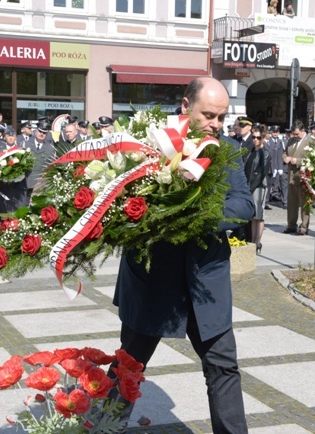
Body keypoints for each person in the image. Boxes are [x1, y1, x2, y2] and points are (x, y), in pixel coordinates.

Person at [111, 76, 254, 434]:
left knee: (223, 367)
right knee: (129, 365)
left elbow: (243, 204)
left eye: (222, 117)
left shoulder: (226, 151)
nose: (216, 125)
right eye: (209, 115)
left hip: (206, 284)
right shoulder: (151, 141)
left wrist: (198, 216)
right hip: (153, 283)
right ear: (185, 105)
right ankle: (103, 427)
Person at [282, 121, 315, 235]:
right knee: (292, 203)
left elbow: (314, 160)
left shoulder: (311, 142)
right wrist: (285, 157)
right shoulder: (291, 141)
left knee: (304, 203)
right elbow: (284, 152)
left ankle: (304, 227)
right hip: (291, 176)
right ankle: (291, 225)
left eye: (296, 134)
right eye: (293, 134)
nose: (294, 136)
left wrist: (298, 161)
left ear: (303, 131)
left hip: (304, 177)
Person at [245, 124, 272, 253]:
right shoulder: (251, 151)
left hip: (259, 186)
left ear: (263, 138)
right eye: (253, 137)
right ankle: (252, 242)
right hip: (249, 186)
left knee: (259, 215)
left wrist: (250, 188)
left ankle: (257, 242)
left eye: (258, 137)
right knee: (253, 216)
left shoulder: (265, 153)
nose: (255, 139)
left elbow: (261, 173)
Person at [0, 126, 29, 212]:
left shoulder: (21, 150)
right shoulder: (0, 150)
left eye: (13, 136)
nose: (11, 138)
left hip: (19, 186)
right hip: (5, 186)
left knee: (18, 211)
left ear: (16, 137)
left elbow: (26, 167)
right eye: (8, 136)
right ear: (5, 137)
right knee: (5, 211)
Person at [26, 119, 56, 198]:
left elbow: (51, 167)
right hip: (26, 183)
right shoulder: (26, 145)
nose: (42, 134)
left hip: (41, 185)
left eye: (44, 133)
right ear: (35, 131)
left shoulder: (50, 149)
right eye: (40, 131)